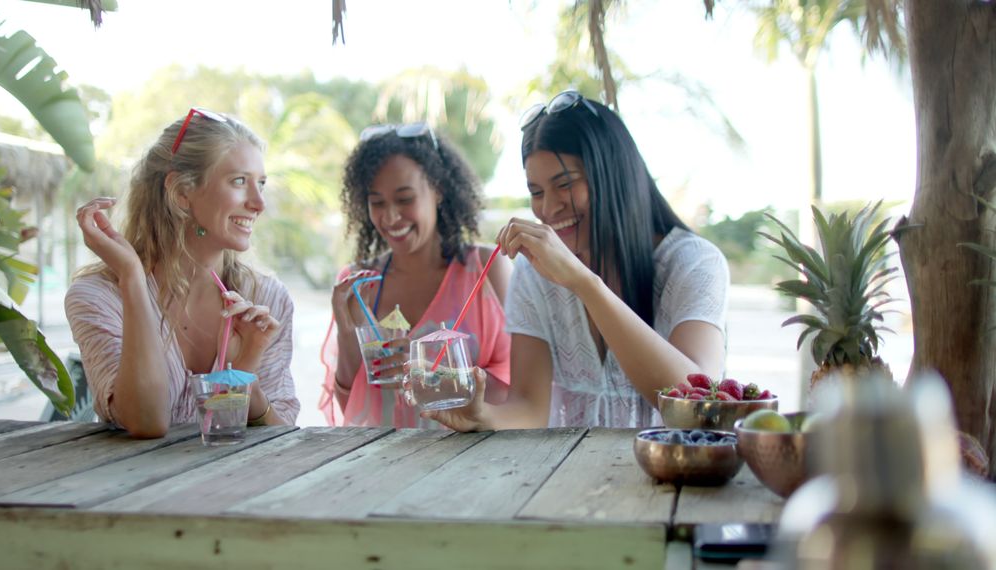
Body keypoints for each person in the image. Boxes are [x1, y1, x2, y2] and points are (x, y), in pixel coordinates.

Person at [426, 91, 729, 431]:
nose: (549, 208)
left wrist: (584, 283)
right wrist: (484, 416)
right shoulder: (532, 272)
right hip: (568, 479)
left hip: (675, 477)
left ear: (613, 177)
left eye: (565, 185)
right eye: (537, 192)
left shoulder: (693, 263)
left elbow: (700, 404)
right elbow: (529, 408)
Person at [65, 108, 299, 437]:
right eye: (239, 181)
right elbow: (146, 422)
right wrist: (132, 277)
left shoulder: (266, 298)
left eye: (260, 183)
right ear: (181, 193)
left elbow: (285, 437)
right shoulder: (100, 297)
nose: (259, 203)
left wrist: (246, 370)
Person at [320, 123, 511, 427]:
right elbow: (351, 407)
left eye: (405, 199)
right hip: (384, 460)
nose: (390, 217)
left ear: (438, 190)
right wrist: (347, 331)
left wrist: (438, 371)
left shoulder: (487, 268)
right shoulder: (358, 281)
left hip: (469, 458)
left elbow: (520, 394)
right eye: (377, 203)